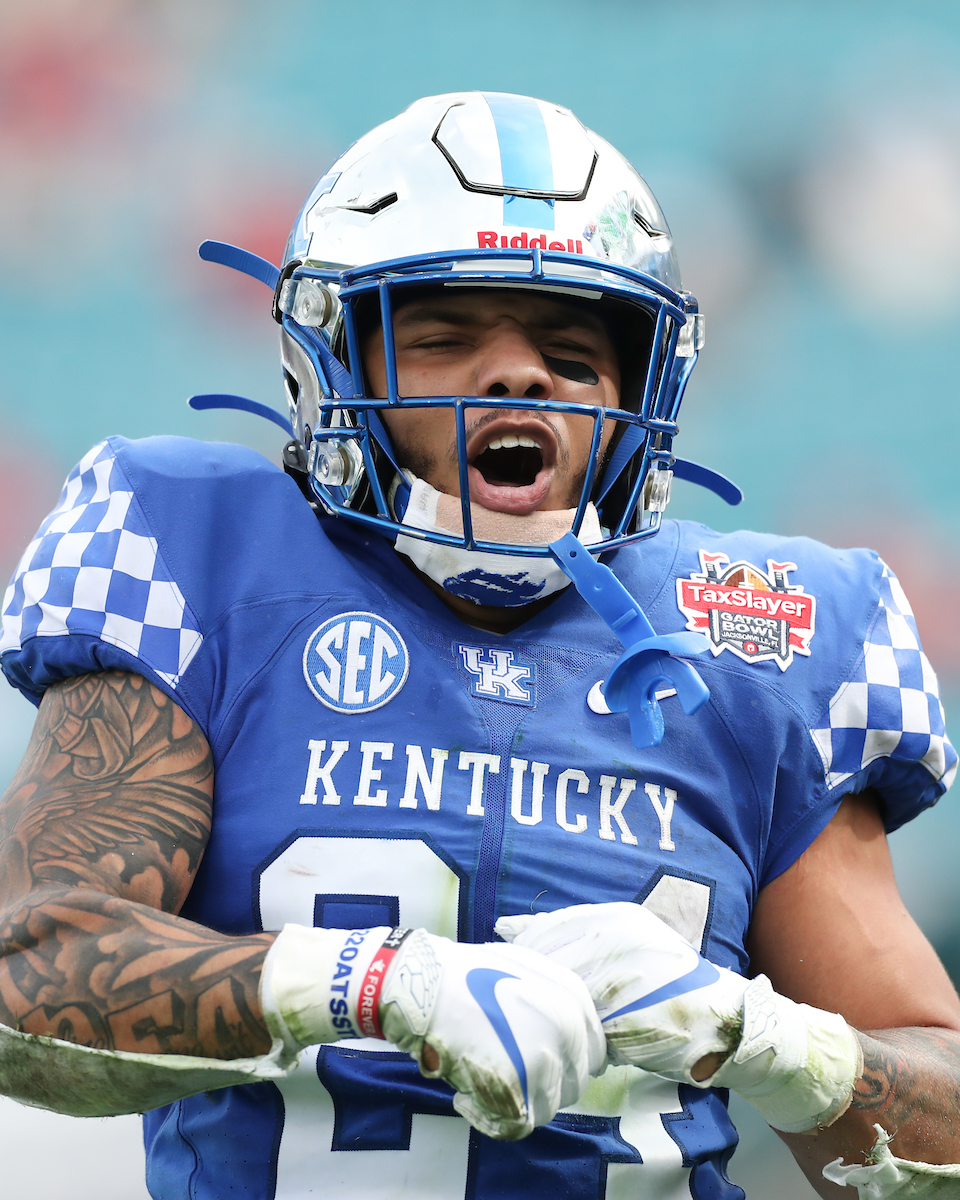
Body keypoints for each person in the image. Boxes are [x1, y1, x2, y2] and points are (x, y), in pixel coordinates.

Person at [0, 91, 958, 1200]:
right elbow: (34, 971)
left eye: (572, 350)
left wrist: (760, 1039)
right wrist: (369, 985)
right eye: (447, 336)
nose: (518, 377)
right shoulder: (201, 553)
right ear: (334, 365)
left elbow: (937, 1105)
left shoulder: (763, 638)